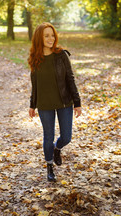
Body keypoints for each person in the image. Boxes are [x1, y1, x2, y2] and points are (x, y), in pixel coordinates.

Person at [28, 22, 81, 182]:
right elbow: (34, 84)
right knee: (47, 137)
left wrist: (77, 102)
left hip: (64, 102)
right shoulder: (35, 59)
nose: (51, 38)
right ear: (39, 38)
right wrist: (32, 104)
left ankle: (57, 149)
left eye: (52, 35)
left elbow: (70, 78)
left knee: (66, 137)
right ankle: (49, 166)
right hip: (44, 104)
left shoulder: (61, 55)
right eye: (46, 36)